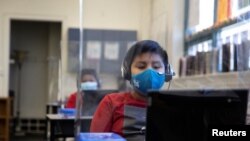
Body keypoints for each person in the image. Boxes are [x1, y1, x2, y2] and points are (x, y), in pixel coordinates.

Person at [90, 40, 174, 141]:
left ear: (167, 72)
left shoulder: (174, 107)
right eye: (141, 66)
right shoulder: (111, 103)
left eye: (156, 66)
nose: (150, 72)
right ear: (128, 72)